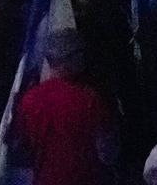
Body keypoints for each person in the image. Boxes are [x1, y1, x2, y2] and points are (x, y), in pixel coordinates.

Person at [7, 22, 122, 185]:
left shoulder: (29, 99)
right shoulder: (89, 99)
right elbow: (107, 154)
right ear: (73, 59)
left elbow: (20, 152)